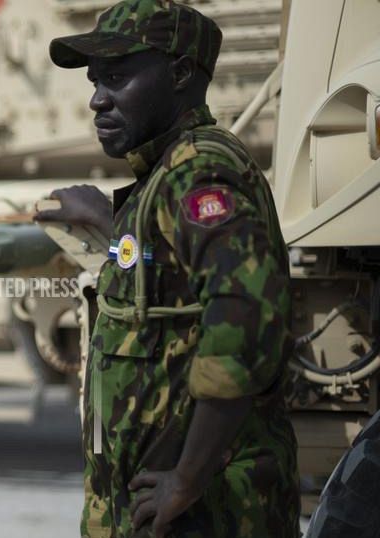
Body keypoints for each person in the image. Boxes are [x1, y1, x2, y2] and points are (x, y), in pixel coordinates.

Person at [35, 1, 299, 536]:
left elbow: (245, 318)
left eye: (116, 76)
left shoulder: (199, 169)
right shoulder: (166, 175)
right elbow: (169, 278)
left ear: (180, 74)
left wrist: (187, 478)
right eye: (94, 81)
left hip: (208, 513)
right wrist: (114, 224)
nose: (96, 99)